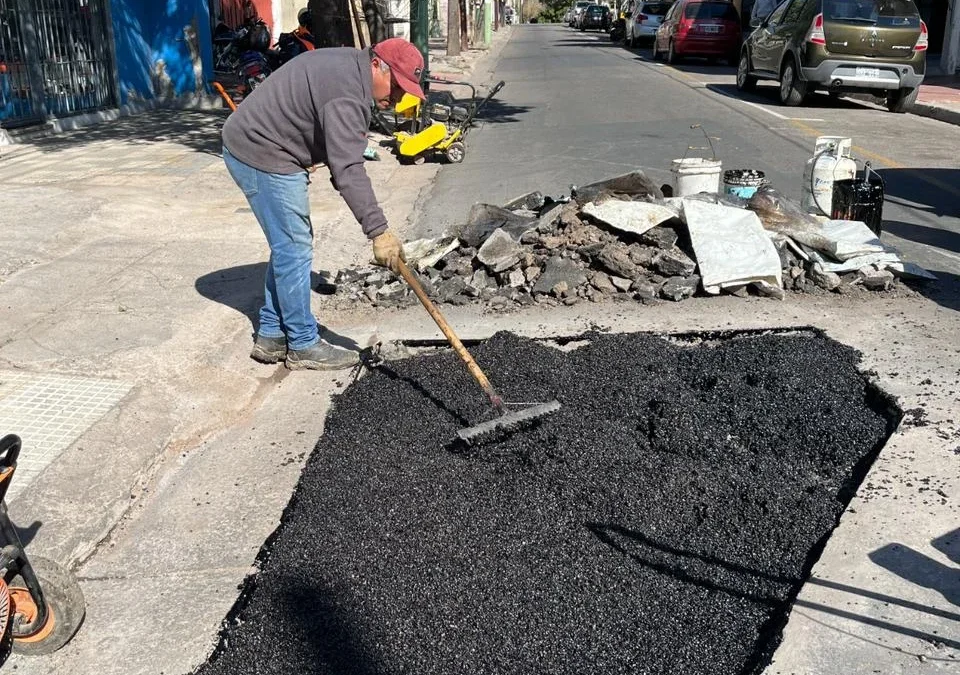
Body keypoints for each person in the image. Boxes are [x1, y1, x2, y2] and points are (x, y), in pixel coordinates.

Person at [221, 39, 423, 370]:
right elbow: (347, 170)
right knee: (295, 247)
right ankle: (302, 344)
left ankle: (272, 334)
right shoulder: (347, 94)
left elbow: (340, 158)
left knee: (289, 245)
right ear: (377, 65)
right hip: (261, 152)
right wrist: (378, 231)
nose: (400, 97)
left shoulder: (351, 71)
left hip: (269, 147)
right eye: (399, 86)